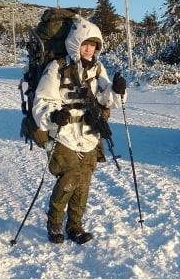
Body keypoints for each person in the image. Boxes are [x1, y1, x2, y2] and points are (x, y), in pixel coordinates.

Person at [32, 16, 126, 245]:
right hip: (63, 134)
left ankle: (75, 226)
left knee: (84, 182)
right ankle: (54, 224)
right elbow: (42, 100)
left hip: (89, 135)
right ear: (75, 43)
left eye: (93, 45)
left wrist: (117, 91)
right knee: (69, 178)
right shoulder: (57, 67)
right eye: (85, 44)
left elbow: (106, 99)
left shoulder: (98, 68)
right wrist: (54, 115)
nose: (88, 49)